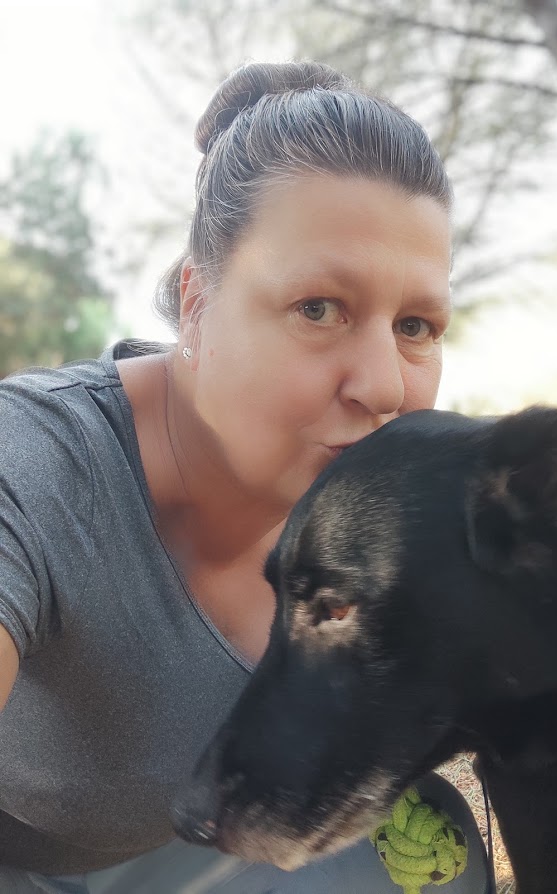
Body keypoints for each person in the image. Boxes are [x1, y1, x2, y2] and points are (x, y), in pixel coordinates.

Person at [0, 61, 490, 893]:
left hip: (192, 837)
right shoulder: (37, 466)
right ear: (196, 300)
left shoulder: (398, 520)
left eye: (415, 325)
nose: (383, 386)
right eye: (318, 308)